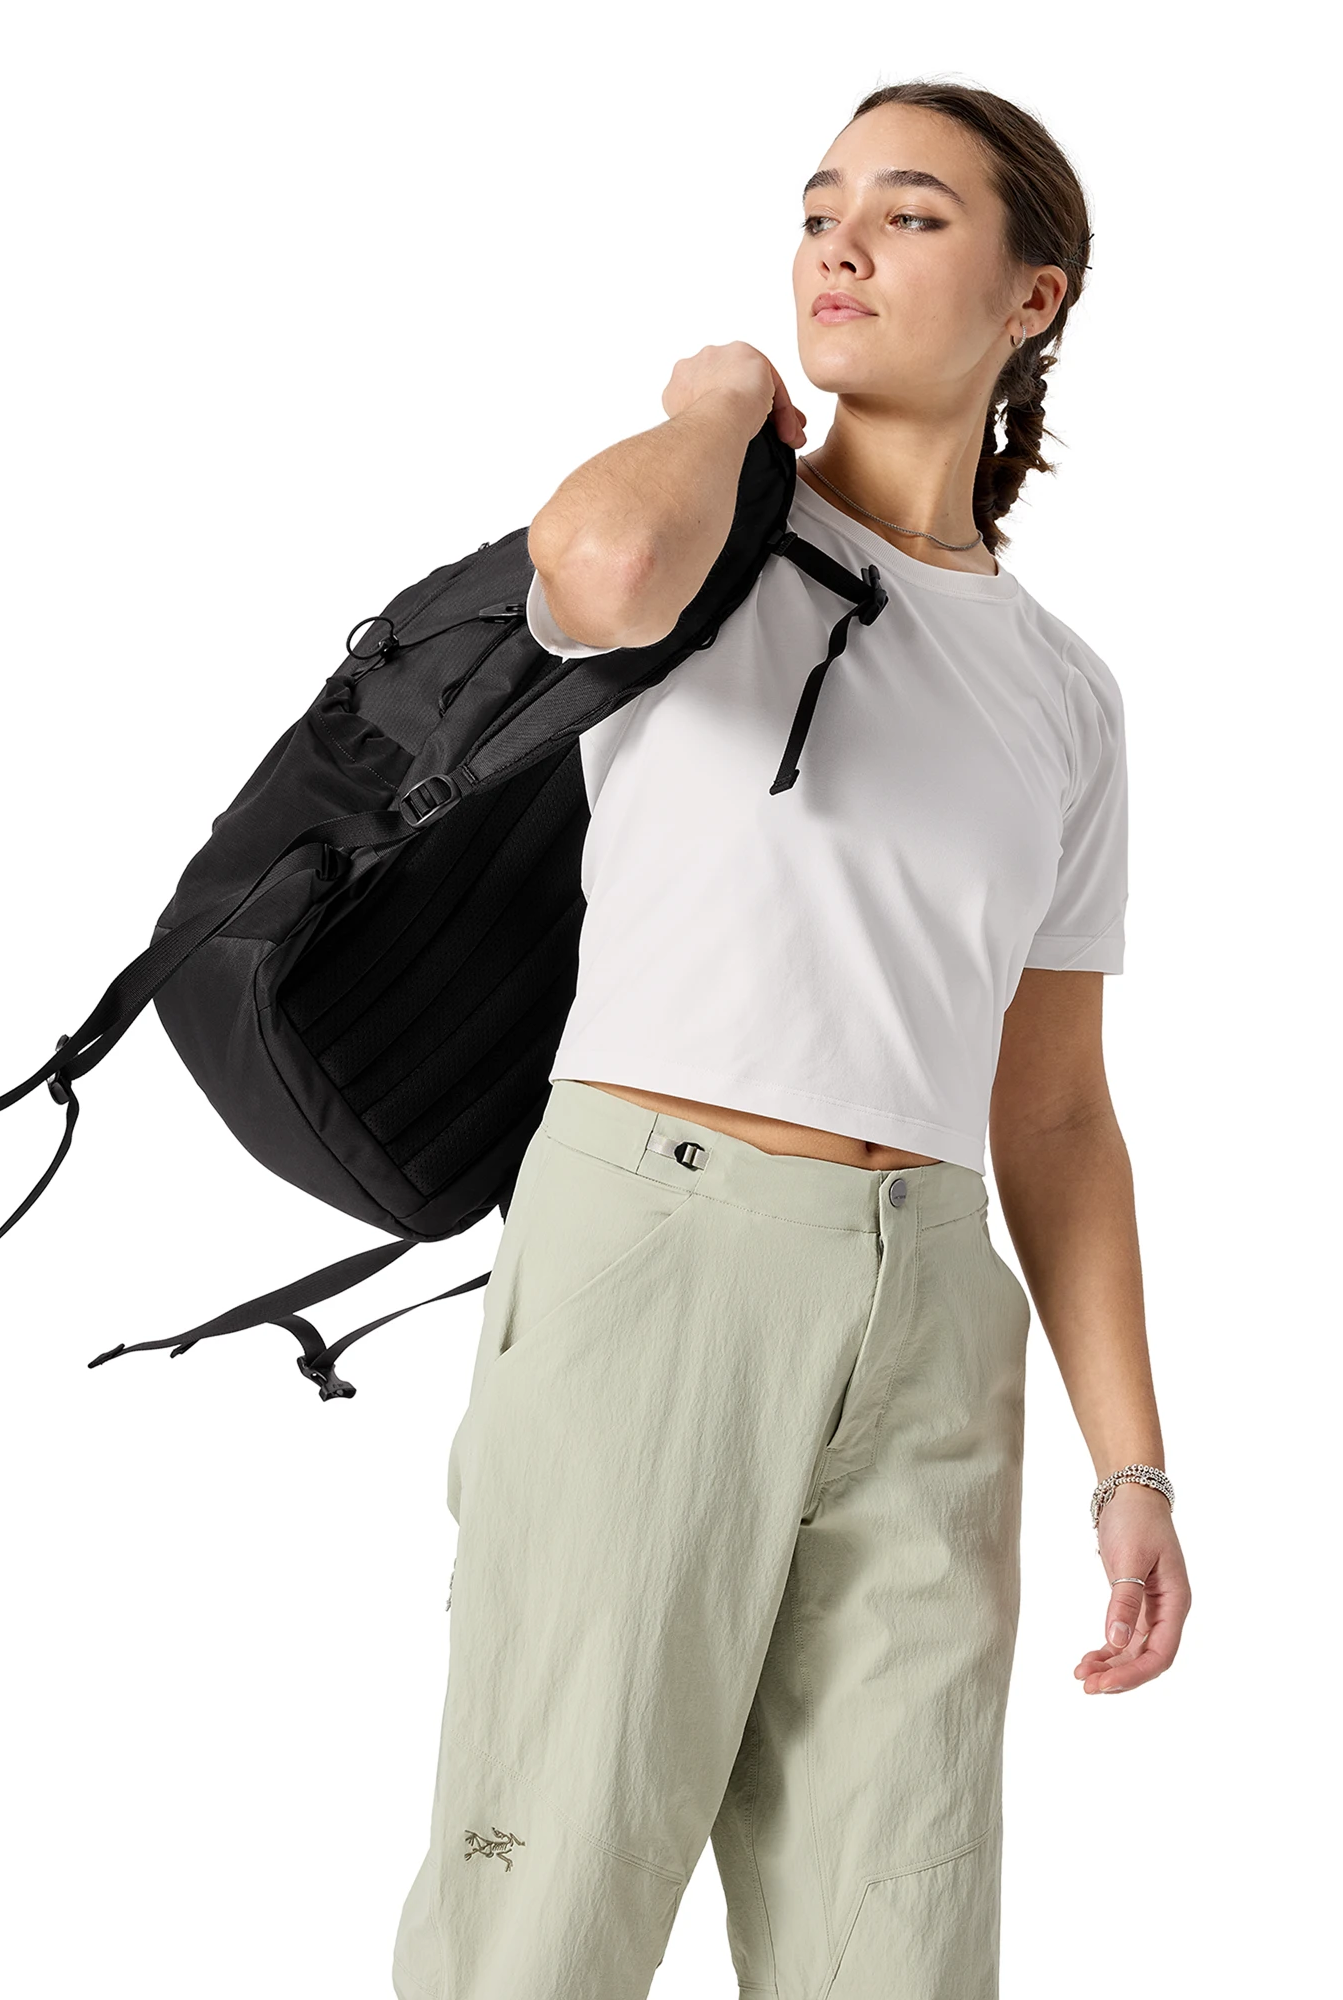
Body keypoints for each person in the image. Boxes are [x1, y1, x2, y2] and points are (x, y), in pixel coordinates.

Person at [392, 78, 1191, 2000]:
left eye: (910, 216)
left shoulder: (1065, 696)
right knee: (546, 1908)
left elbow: (1055, 1114)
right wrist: (718, 405)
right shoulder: (711, 544)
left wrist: (1133, 1469)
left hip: (932, 1306)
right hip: (659, 1253)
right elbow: (592, 571)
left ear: (1034, 298)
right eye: (821, 208)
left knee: (895, 1934)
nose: (841, 244)